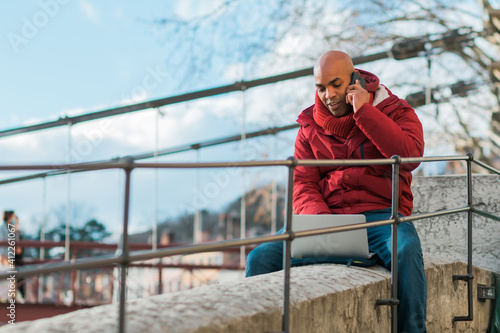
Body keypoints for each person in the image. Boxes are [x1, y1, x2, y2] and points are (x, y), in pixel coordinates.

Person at [246, 51, 427, 332]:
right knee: (260, 257)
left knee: (406, 249)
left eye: (336, 84)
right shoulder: (308, 126)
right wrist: (324, 224)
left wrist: (365, 112)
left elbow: (410, 156)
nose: (328, 94)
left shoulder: (396, 111)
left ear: (356, 80)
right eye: (320, 88)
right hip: (325, 218)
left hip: (379, 218)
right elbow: (303, 182)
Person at [2, 211, 25, 299]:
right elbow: (16, 250)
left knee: (11, 284)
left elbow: (17, 250)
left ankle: (14, 298)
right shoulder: (5, 229)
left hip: (13, 261)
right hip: (7, 260)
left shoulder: (14, 231)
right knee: (7, 283)